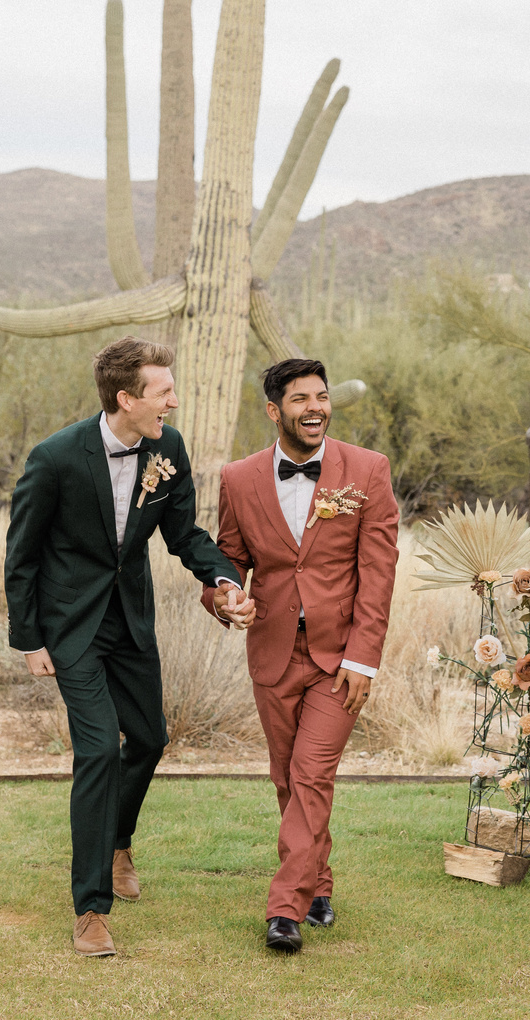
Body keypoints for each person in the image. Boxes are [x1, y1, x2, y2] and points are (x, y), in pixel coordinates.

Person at [6, 336, 255, 957]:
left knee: (149, 739)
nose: (174, 400)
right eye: (163, 391)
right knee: (96, 750)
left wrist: (223, 580)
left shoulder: (166, 448)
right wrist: (29, 638)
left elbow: (184, 533)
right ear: (126, 398)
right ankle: (91, 908)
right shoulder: (56, 457)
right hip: (71, 627)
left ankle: (119, 842)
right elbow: (22, 554)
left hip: (130, 622)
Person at [200, 358, 399, 954]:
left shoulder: (367, 470)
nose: (315, 407)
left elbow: (378, 573)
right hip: (271, 654)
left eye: (322, 396)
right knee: (288, 778)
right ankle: (317, 886)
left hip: (340, 659)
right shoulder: (237, 478)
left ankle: (284, 909)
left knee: (312, 773)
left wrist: (364, 658)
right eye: (300, 399)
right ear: (274, 410)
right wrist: (224, 595)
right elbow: (227, 559)